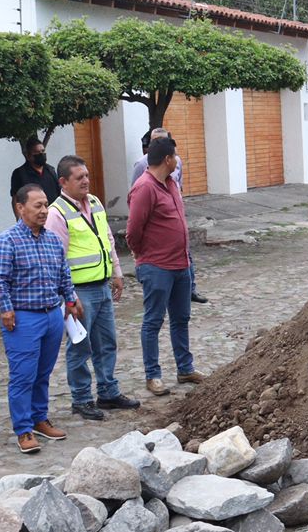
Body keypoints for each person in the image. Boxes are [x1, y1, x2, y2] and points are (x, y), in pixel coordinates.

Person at [45, 155, 140, 421]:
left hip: (102, 285)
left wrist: (117, 272)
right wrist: (68, 297)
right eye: (79, 177)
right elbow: (56, 259)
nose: (86, 181)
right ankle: (82, 398)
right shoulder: (57, 213)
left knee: (107, 343)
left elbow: (108, 238)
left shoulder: (95, 203)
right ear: (63, 182)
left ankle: (108, 392)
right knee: (80, 346)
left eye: (87, 176)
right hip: (79, 291)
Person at [0, 185, 83, 454]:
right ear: (21, 208)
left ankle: (40, 418)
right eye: (38, 206)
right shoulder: (6, 240)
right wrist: (6, 309)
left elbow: (64, 274)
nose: (44, 211)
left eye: (45, 205)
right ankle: (23, 429)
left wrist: (70, 299)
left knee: (43, 372)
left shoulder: (52, 239)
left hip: (52, 315)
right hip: (23, 319)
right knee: (23, 375)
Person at [127, 136, 203, 396]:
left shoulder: (171, 183)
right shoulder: (144, 187)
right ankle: (153, 375)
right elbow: (133, 231)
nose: (177, 161)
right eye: (175, 157)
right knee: (153, 321)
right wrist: (145, 257)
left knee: (181, 318)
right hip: (157, 266)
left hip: (181, 264)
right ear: (167, 159)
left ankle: (185, 368)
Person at [132, 128, 206, 304]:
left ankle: (191, 288)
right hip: (157, 254)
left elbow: (179, 184)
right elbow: (134, 222)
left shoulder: (175, 164)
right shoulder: (142, 167)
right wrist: (140, 252)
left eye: (162, 140)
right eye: (154, 141)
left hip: (175, 222)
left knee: (186, 256)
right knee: (155, 316)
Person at [9, 136, 61, 204]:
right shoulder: (19, 174)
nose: (41, 154)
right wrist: (19, 214)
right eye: (37, 152)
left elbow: (59, 192)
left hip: (52, 212)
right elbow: (16, 199)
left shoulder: (51, 170)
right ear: (28, 155)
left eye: (43, 151)